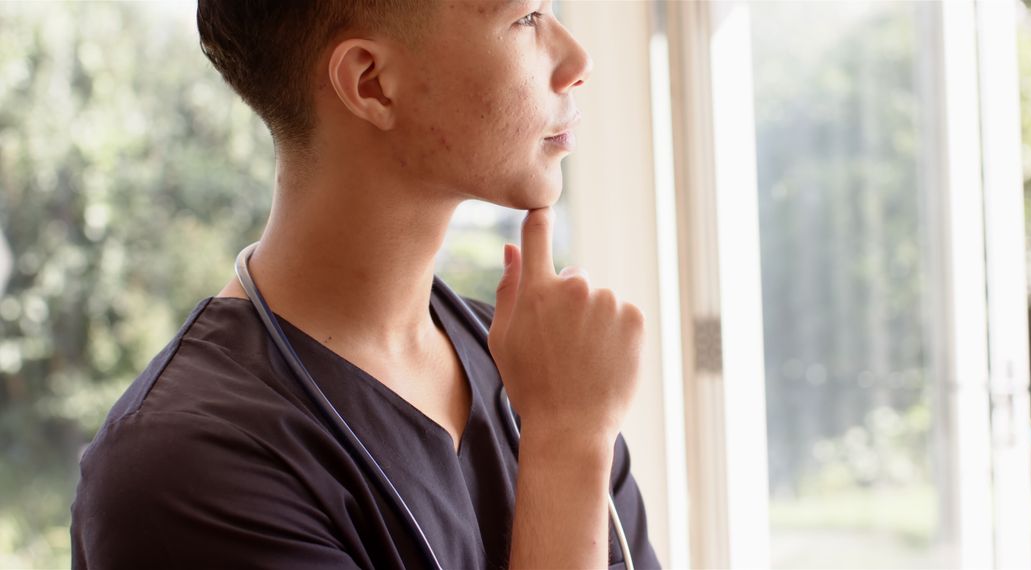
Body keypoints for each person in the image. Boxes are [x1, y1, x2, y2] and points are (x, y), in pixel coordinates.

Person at [70, 1, 660, 568]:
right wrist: (564, 447)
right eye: (527, 18)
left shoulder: (547, 370)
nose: (578, 60)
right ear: (371, 82)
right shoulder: (182, 467)